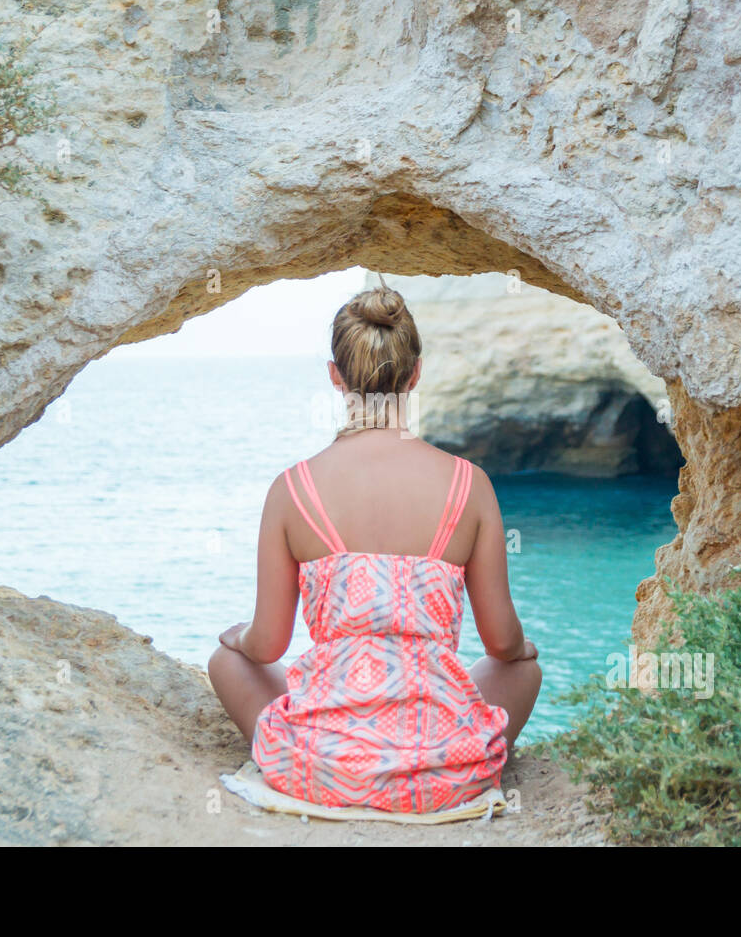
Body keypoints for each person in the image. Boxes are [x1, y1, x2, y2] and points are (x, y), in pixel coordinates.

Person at [208, 279, 540, 813]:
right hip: (440, 772)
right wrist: (518, 651)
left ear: (335, 376)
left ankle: (324, 756)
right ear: (416, 372)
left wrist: (240, 639)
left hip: (320, 768)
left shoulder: (292, 488)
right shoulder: (468, 483)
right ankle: (436, 759)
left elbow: (268, 645)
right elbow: (501, 642)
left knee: (227, 661)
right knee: (525, 671)